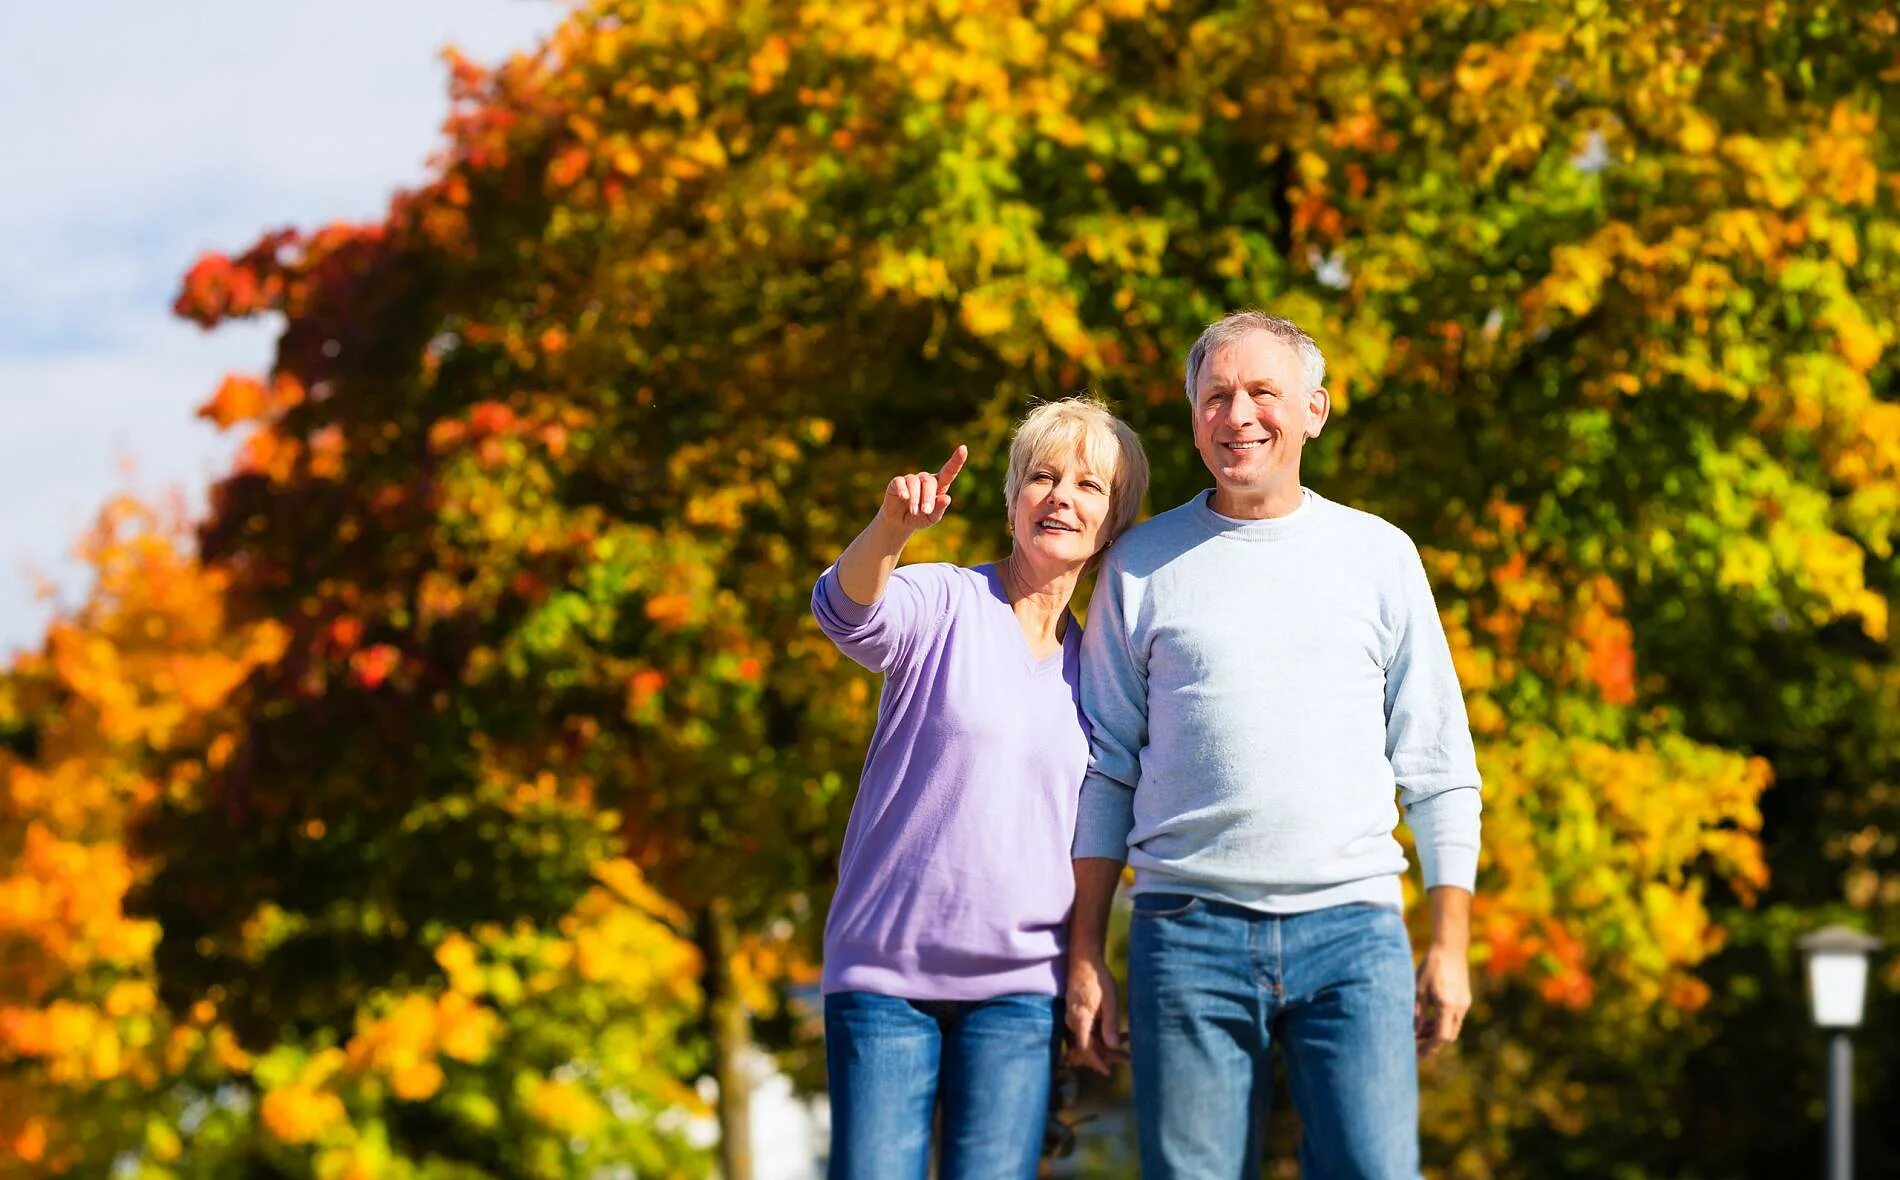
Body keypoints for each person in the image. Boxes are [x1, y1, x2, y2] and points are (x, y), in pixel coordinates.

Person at [1064, 311, 1482, 1178]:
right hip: (1185, 933)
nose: (1237, 414)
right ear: (1193, 418)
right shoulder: (1140, 566)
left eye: (1262, 392)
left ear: (1315, 411)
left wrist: (1448, 944)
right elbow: (1105, 769)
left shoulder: (1379, 556)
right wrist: (1084, 952)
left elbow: (1439, 768)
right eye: (1215, 395)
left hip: (1354, 933)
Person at [812, 397, 1150, 1180]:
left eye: (1088, 485)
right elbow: (845, 611)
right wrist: (891, 530)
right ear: (1011, 499)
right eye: (1042, 476)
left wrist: (1084, 966)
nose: (1061, 495)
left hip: (1019, 994)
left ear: (1114, 524)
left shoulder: (1103, 669)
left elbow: (1100, 826)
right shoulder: (944, 603)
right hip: (885, 977)